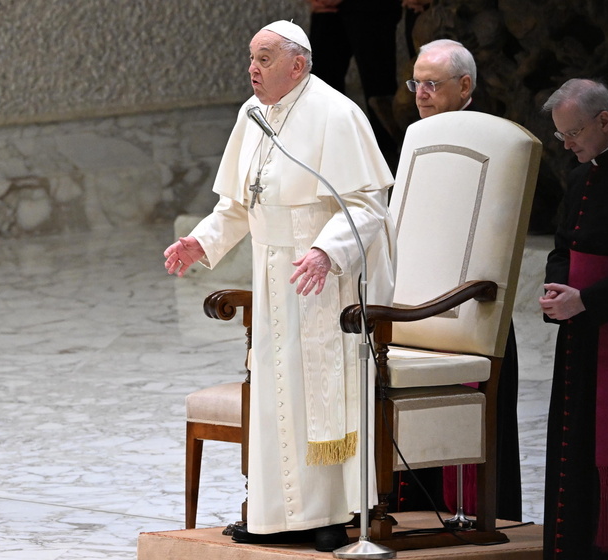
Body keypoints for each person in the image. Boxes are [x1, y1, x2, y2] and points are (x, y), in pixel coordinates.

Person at [163, 20, 396, 552]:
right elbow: (240, 204)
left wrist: (325, 250)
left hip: (320, 281)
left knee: (316, 397)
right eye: (251, 57)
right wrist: (202, 241)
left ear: (298, 64)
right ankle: (275, 516)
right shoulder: (253, 117)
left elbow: (366, 204)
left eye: (265, 58)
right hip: (271, 274)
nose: (253, 68)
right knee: (274, 397)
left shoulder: (336, 113)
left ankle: (329, 515)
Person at [394, 39, 522, 524]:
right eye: (416, 83)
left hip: (471, 311)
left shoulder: (496, 144)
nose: (421, 94)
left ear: (465, 85)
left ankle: (479, 522)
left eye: (432, 84)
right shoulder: (410, 138)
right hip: (413, 308)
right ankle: (413, 521)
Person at [539, 78, 608, 560]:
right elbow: (562, 246)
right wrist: (557, 288)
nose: (568, 143)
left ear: (604, 120)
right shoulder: (579, 175)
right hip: (579, 334)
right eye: (560, 136)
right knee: (570, 447)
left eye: (573, 133)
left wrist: (588, 300)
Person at [303, 0, 402, 168]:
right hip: (329, 10)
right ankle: (327, 164)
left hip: (373, 8)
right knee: (319, 87)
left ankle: (388, 171)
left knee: (379, 91)